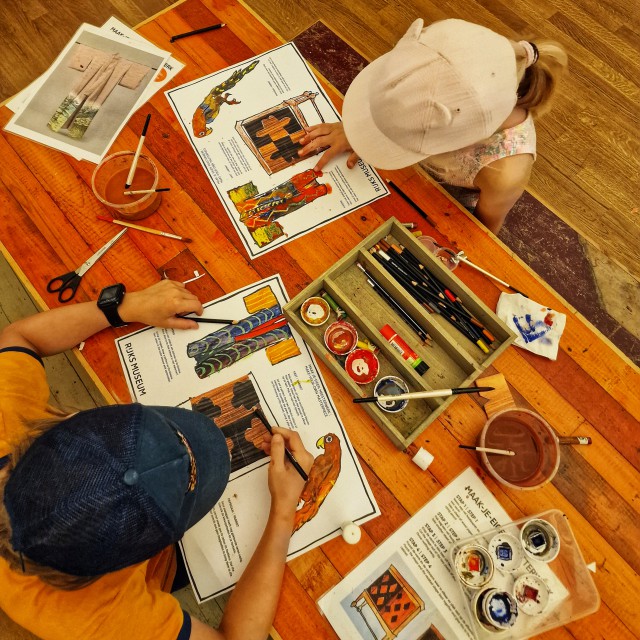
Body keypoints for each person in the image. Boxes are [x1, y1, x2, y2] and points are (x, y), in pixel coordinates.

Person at [0, 278, 313, 640]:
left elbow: (17, 338)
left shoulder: (9, 420)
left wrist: (121, 308)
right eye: (188, 487)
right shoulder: (99, 619)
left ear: (66, 422)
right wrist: (284, 513)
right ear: (124, 565)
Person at [299, 18, 567, 233]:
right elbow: (404, 92)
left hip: (443, 199)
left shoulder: (505, 173)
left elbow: (479, 234)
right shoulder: (445, 56)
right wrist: (360, 129)